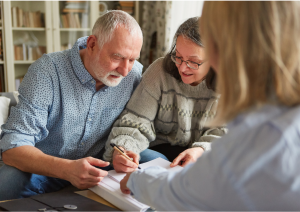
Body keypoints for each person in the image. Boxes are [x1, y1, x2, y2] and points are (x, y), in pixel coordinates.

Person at [119, 1, 300, 210]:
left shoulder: (258, 131)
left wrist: (137, 180)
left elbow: (193, 190)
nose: (184, 67)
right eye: (178, 57)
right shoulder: (271, 111)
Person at [0, 10, 143, 201]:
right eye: (117, 57)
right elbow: (12, 148)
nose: (125, 71)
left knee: (156, 163)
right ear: (92, 44)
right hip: (46, 168)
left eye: (132, 59)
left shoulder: (135, 75)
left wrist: (122, 150)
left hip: (101, 165)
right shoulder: (47, 71)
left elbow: (132, 124)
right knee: (7, 181)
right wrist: (67, 169)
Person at [103, 17, 226, 173]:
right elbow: (136, 120)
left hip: (201, 155)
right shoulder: (159, 71)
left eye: (193, 61)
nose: (182, 68)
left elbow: (226, 132)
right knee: (140, 159)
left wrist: (200, 150)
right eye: (179, 57)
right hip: (156, 152)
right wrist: (124, 148)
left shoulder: (229, 81)